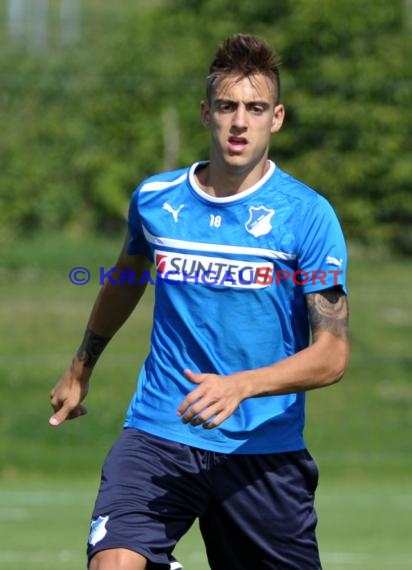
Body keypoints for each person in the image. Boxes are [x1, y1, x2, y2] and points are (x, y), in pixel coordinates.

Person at [49, 33, 350, 570]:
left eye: (255, 108)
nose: (240, 122)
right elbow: (125, 280)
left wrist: (242, 386)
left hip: (261, 450)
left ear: (276, 118)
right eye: (228, 106)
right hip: (158, 432)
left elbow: (332, 355)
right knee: (113, 563)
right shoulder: (156, 201)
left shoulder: (307, 215)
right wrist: (79, 369)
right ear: (204, 112)